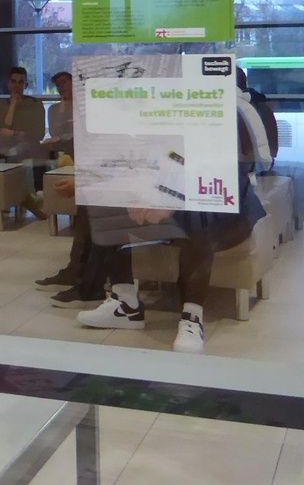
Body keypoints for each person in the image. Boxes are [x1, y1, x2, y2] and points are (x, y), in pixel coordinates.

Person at [75, 112, 266, 353]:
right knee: (104, 202)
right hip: (167, 203)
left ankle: (191, 317)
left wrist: (172, 200)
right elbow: (142, 162)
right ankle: (126, 304)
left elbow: (232, 176)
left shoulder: (224, 111)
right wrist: (139, 193)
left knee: (198, 219)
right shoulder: (156, 110)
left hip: (223, 211)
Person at [0, 66, 46, 160]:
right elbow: (0, 133)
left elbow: (39, 134)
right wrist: (12, 105)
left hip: (28, 148)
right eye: (13, 81)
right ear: (8, 84)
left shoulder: (35, 104)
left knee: (17, 151)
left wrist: (14, 133)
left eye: (20, 82)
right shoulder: (0, 105)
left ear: (25, 85)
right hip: (4, 148)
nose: (16, 85)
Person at [45, 69, 75, 156]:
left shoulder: (83, 105)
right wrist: (63, 105)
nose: (61, 86)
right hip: (61, 149)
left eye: (64, 82)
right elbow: (55, 133)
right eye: (58, 85)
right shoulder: (53, 109)